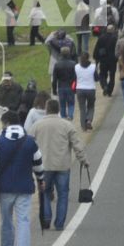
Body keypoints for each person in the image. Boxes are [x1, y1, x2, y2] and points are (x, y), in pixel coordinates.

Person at [0, 111, 44, 246]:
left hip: (5, 188)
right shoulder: (31, 142)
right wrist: (41, 179)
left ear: (6, 123)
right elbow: (38, 163)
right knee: (23, 220)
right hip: (25, 187)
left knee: (6, 220)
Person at [31, 99, 89, 231]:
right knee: (63, 194)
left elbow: (28, 144)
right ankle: (60, 223)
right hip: (63, 165)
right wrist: (83, 160)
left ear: (46, 109)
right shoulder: (67, 125)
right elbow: (77, 144)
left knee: (44, 192)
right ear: (58, 110)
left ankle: (46, 218)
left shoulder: (37, 126)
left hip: (44, 165)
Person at [73, 49, 98, 131]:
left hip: (80, 89)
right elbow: (96, 78)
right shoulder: (93, 66)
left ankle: (83, 126)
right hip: (91, 89)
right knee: (91, 106)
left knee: (82, 108)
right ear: (88, 58)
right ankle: (89, 120)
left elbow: (74, 78)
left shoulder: (76, 67)